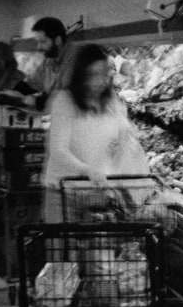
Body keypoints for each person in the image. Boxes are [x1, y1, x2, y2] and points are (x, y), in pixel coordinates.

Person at [42, 42, 147, 222]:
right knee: (62, 240)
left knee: (95, 240)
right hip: (63, 192)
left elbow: (121, 141)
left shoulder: (112, 102)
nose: (99, 81)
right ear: (81, 76)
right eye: (92, 75)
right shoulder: (65, 101)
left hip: (96, 193)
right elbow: (58, 151)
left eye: (103, 74)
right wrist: (87, 170)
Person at [24, 17, 70, 111]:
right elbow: (33, 83)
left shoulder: (74, 60)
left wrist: (37, 101)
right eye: (38, 42)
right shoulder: (48, 61)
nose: (38, 47)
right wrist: (13, 92)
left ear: (57, 40)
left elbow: (68, 98)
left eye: (43, 41)